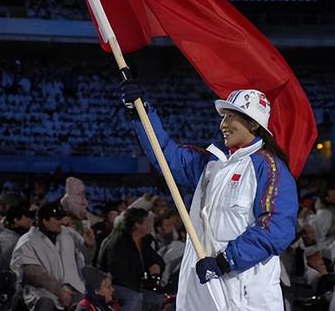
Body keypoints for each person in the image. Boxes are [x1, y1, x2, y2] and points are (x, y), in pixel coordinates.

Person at [121, 85, 298, 310]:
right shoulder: (211, 164)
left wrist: (224, 262)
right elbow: (165, 155)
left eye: (231, 117)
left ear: (253, 124)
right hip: (201, 288)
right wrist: (142, 113)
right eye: (223, 117)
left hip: (245, 295)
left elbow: (277, 228)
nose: (223, 124)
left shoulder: (269, 167)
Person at [10, 201, 96, 311]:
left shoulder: (69, 233)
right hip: (42, 292)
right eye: (57, 218)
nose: (62, 221)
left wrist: (89, 246)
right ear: (44, 221)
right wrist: (60, 291)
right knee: (46, 304)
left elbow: (86, 260)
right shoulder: (27, 241)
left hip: (74, 289)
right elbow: (34, 274)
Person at [97, 208, 164, 311]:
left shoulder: (144, 241)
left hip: (138, 285)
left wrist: (157, 265)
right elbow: (118, 273)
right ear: (137, 224)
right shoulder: (117, 243)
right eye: (147, 222)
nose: (150, 225)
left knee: (158, 299)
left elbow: (157, 260)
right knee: (133, 298)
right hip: (115, 286)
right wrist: (144, 275)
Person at [0, 204, 33, 275]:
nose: (30, 220)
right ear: (16, 220)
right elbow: (10, 263)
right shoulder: (7, 238)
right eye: (26, 217)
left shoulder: (14, 234)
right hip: (5, 280)